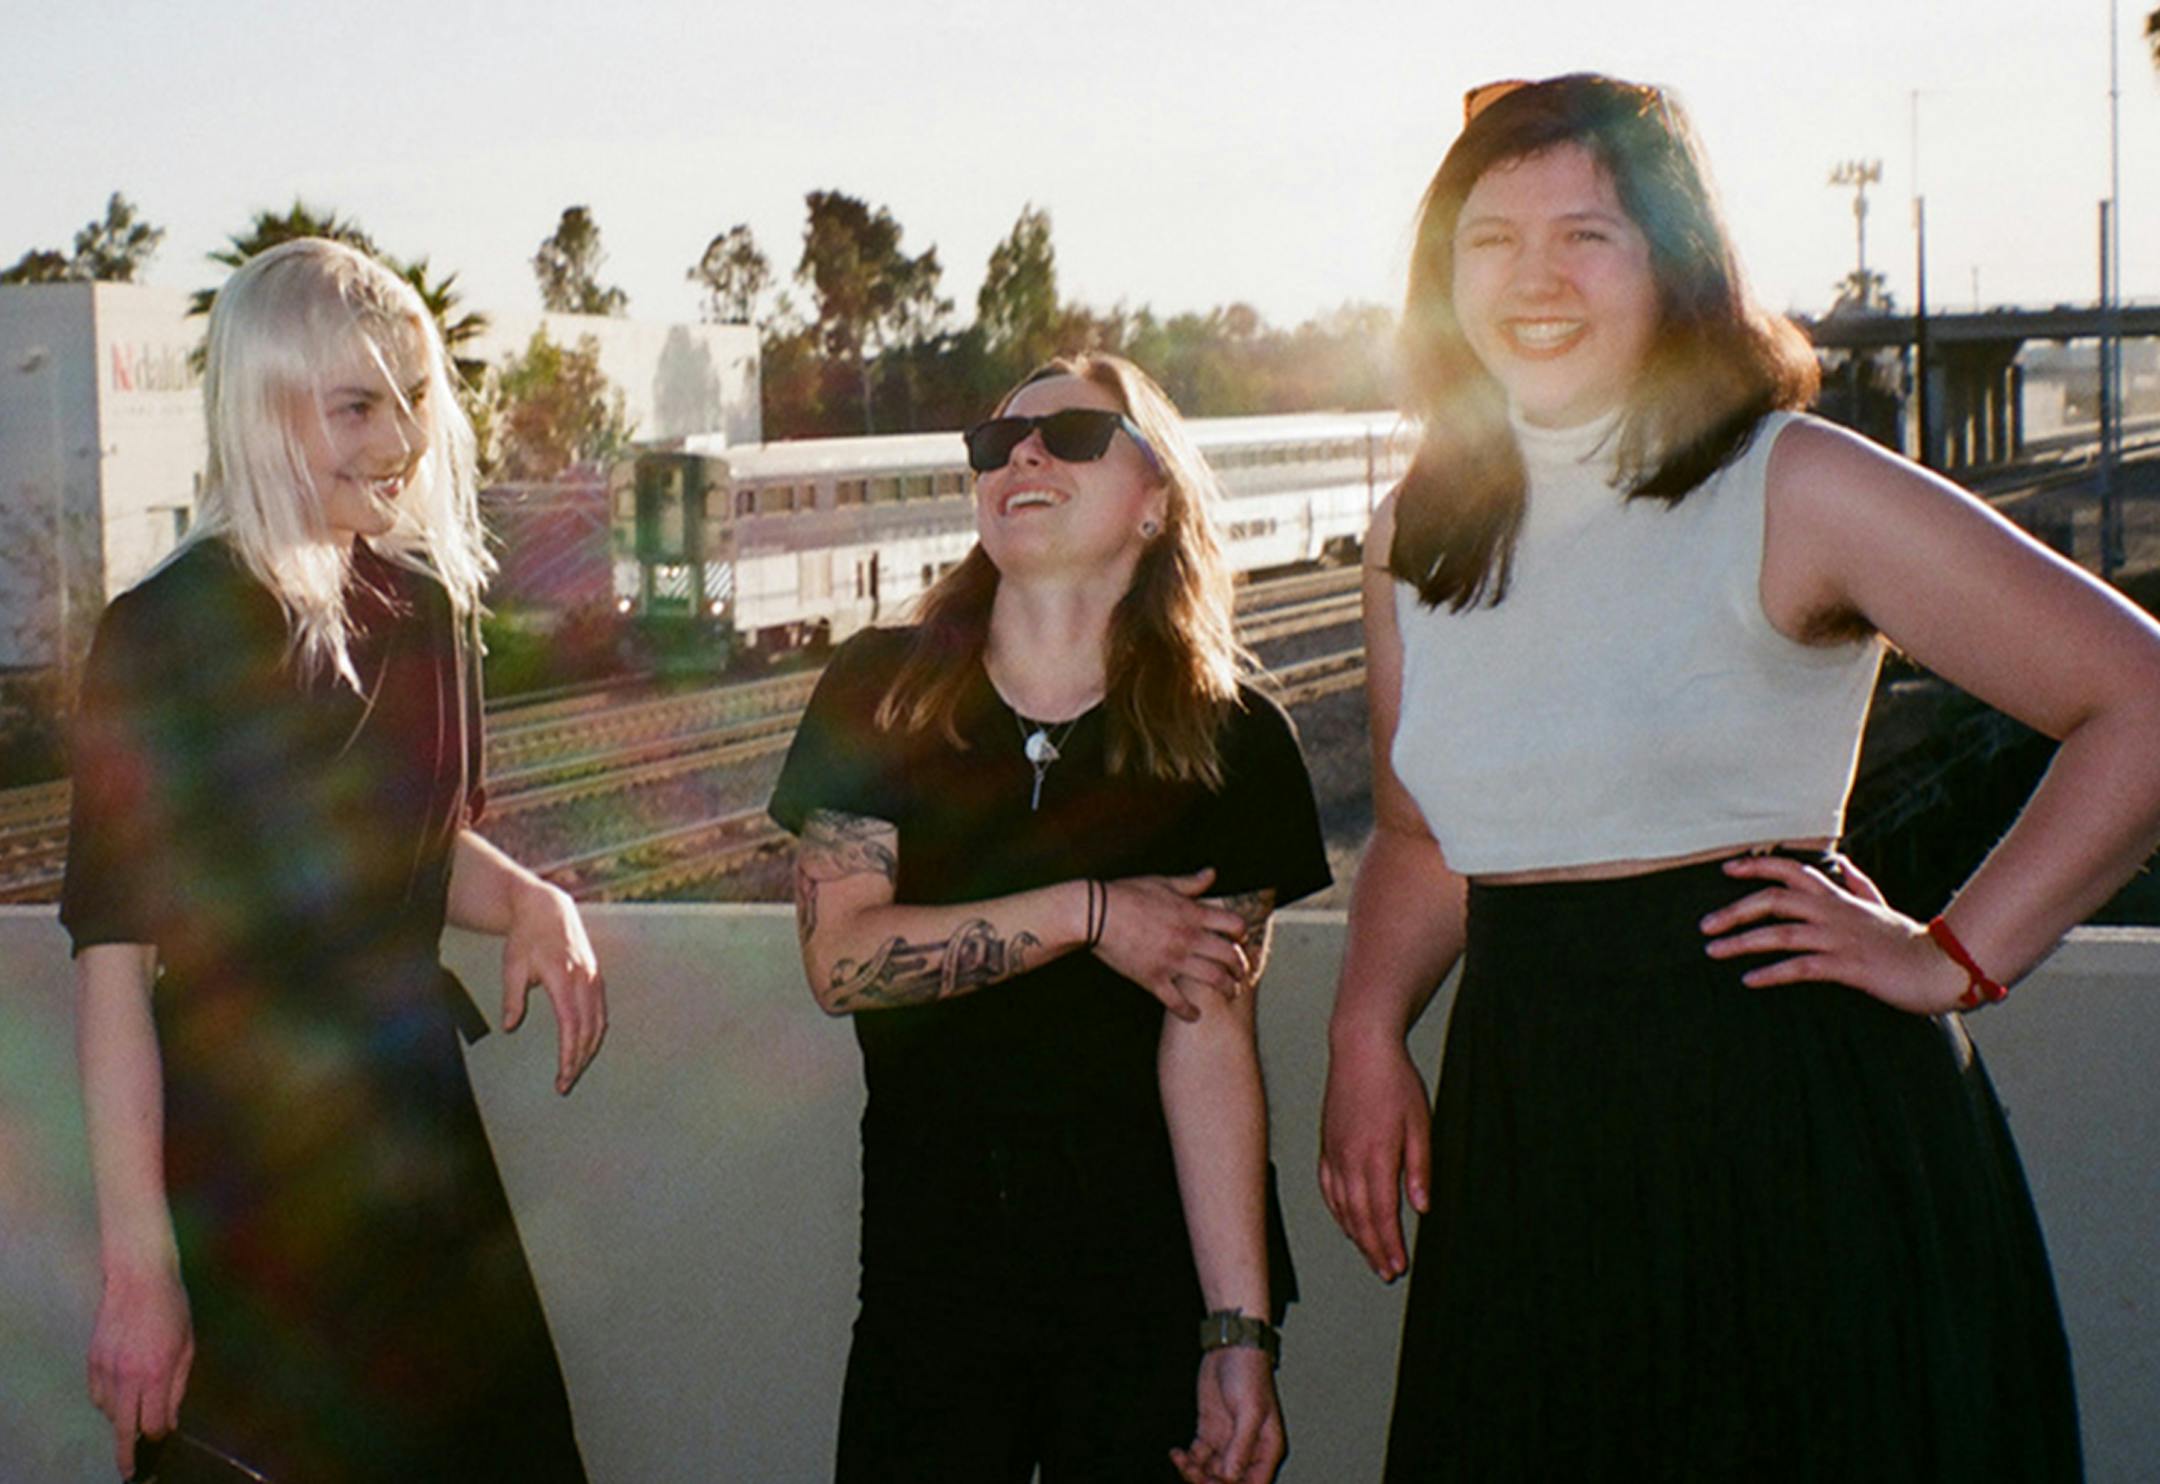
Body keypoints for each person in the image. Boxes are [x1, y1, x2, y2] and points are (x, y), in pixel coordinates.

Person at [1320, 73, 2160, 1481]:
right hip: (1533, 1130)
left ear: (1675, 260)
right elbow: (1418, 835)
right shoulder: (1423, 525)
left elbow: (2135, 699)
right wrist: (1364, 1033)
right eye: (1491, 239)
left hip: (1787, 1126)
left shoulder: (1793, 481)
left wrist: (1953, 955)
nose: (1536, 277)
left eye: (1588, 233)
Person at [63, 237, 605, 1482]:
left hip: (418, 1158)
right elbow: (113, 976)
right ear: (260, 406)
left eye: (414, 395)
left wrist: (525, 893)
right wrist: (141, 1273)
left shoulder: (422, 605)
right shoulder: (162, 637)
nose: (401, 435)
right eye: (357, 403)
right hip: (243, 1185)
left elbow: (406, 850)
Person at [768, 354, 1329, 1484]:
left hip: (1144, 1298)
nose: (1018, 454)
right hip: (932, 1296)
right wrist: (1091, 913)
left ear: (1157, 498)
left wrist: (1238, 1333)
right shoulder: (878, 691)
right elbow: (843, 960)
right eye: (994, 442)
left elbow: (1210, 1041)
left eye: (1071, 433)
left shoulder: (1234, 744)